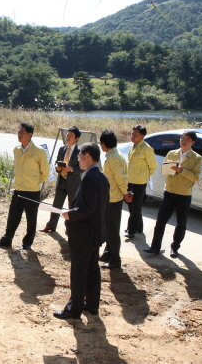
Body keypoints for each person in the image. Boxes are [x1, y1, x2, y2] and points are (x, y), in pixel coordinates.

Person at [54, 143, 109, 320]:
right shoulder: (101, 177)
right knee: (92, 270)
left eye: (79, 156)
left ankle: (74, 309)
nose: (78, 159)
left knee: (79, 273)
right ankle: (91, 304)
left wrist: (69, 215)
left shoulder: (90, 178)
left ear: (87, 157)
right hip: (95, 234)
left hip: (85, 235)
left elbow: (87, 208)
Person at [144, 130, 202, 257]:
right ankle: (155, 247)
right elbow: (163, 170)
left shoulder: (197, 158)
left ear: (193, 142)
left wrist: (182, 170)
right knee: (160, 221)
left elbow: (195, 177)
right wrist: (167, 169)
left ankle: (175, 248)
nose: (184, 141)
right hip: (169, 192)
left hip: (184, 195)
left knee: (181, 223)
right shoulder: (172, 153)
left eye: (187, 139)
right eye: (182, 138)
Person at [0, 122, 49, 250]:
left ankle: (27, 243)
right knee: (13, 216)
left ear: (30, 134)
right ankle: (7, 239)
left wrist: (35, 183)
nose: (19, 134)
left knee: (31, 218)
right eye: (18, 132)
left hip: (32, 190)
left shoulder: (39, 151)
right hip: (18, 189)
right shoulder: (17, 149)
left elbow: (45, 172)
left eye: (22, 132)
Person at [39, 126, 83, 233]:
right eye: (67, 135)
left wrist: (71, 169)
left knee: (71, 206)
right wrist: (58, 168)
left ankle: (69, 226)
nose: (68, 137)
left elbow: (82, 167)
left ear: (76, 138)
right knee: (56, 205)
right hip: (61, 181)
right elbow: (57, 162)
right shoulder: (62, 149)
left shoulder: (80, 151)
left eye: (70, 136)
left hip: (73, 183)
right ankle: (51, 225)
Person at [99, 130, 128, 269]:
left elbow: (120, 178)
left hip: (113, 198)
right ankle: (108, 253)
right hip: (113, 197)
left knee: (112, 230)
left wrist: (125, 192)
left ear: (104, 144)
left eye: (100, 143)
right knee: (110, 228)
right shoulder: (115, 154)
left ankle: (115, 259)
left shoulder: (113, 158)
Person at [126, 125, 157, 239]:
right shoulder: (132, 146)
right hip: (130, 180)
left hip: (140, 182)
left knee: (136, 206)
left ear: (142, 136)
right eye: (132, 134)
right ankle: (138, 226)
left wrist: (145, 176)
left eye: (136, 135)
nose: (132, 136)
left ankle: (131, 230)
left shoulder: (147, 149)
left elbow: (153, 166)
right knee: (130, 203)